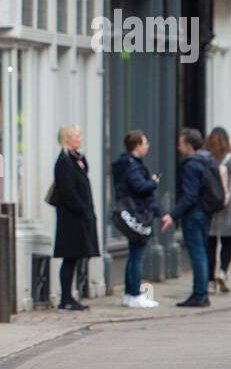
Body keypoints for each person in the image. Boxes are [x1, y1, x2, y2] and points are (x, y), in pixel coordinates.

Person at [161, 128, 215, 307]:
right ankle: (201, 292)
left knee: (198, 253)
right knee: (202, 252)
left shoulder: (191, 165)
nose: (178, 146)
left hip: (194, 214)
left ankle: (200, 294)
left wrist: (173, 214)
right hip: (205, 212)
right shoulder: (207, 160)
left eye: (181, 143)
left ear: (189, 145)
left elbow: (189, 196)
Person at [51, 125, 99, 311]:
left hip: (80, 217)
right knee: (70, 258)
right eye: (76, 136)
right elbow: (68, 191)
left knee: (75, 257)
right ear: (67, 139)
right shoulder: (64, 161)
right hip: (71, 219)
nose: (80, 138)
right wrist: (81, 208)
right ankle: (66, 299)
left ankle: (70, 296)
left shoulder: (77, 159)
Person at [111, 129, 160, 308]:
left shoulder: (127, 164)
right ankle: (134, 294)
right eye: (145, 143)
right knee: (137, 254)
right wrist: (153, 182)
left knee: (133, 253)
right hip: (137, 213)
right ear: (137, 145)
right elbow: (139, 186)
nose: (147, 146)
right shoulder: (132, 165)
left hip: (130, 213)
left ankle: (129, 293)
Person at [204, 126, 231, 293]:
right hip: (229, 206)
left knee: (210, 245)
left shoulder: (206, 158)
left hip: (210, 207)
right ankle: (223, 272)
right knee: (227, 242)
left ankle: (209, 281)